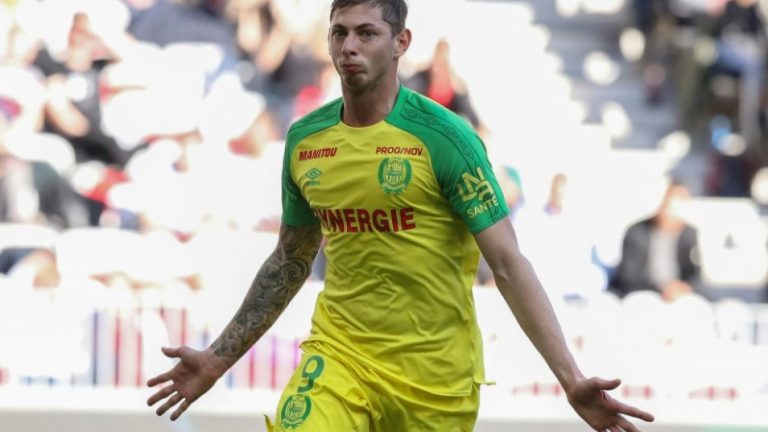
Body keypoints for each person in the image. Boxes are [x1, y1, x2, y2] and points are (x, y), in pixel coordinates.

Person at [146, 1, 655, 431]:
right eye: (339, 33)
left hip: (433, 381)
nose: (349, 46)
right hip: (339, 358)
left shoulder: (447, 138)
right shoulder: (306, 140)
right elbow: (290, 260)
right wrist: (217, 358)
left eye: (367, 33)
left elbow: (507, 263)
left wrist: (570, 378)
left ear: (400, 42)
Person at [610, 180, 700, 301]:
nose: (673, 211)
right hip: (642, 295)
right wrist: (661, 290)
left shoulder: (689, 233)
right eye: (670, 204)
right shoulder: (637, 232)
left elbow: (694, 274)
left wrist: (683, 287)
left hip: (677, 297)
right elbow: (628, 277)